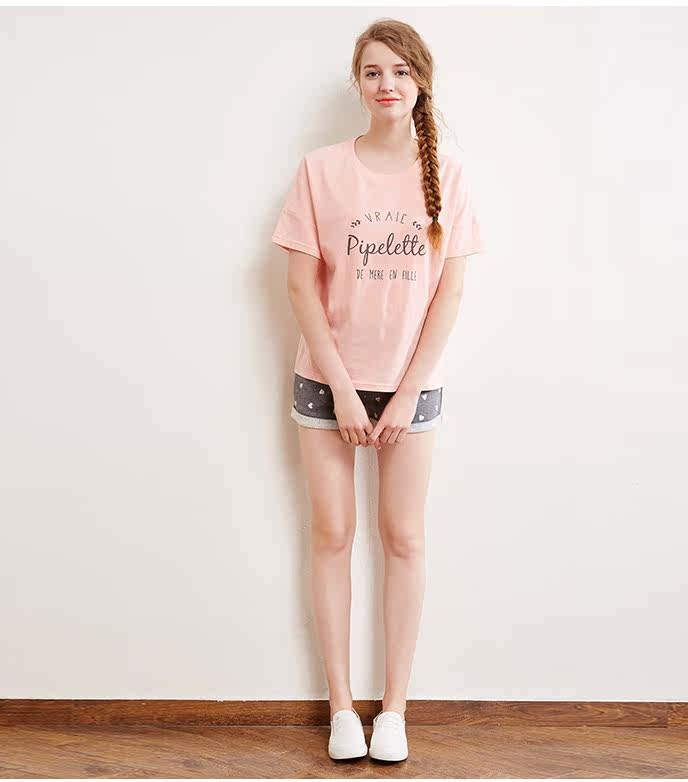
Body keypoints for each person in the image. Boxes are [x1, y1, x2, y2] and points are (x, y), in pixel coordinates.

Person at [271, 18, 483, 762]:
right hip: (327, 383)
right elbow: (301, 287)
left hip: (410, 389)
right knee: (331, 536)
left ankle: (393, 710)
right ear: (357, 83)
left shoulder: (448, 176)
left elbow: (449, 295)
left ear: (420, 80)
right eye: (372, 71)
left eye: (399, 70)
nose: (386, 83)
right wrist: (342, 388)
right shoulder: (320, 170)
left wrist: (404, 392)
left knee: (404, 538)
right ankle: (340, 709)